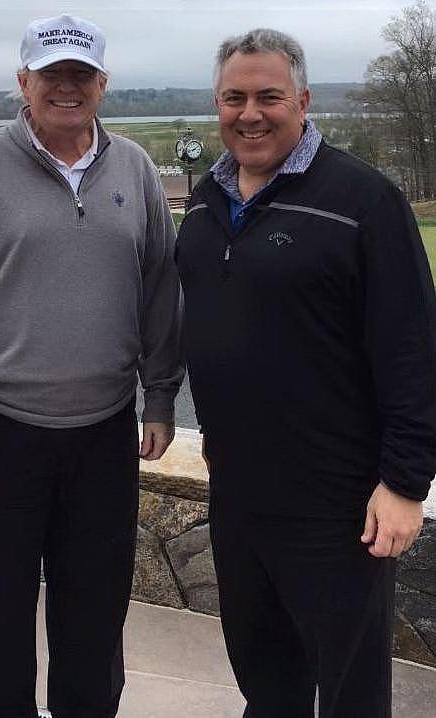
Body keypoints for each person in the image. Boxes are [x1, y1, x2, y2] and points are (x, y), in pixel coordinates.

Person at [0, 13, 183, 718]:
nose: (68, 87)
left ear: (103, 83)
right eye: (52, 74)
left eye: (81, 75)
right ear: (23, 81)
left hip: (102, 435)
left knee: (95, 615)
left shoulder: (135, 170)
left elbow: (159, 289)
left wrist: (158, 398)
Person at [176, 28, 435, 718]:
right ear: (218, 103)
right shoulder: (206, 202)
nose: (250, 113)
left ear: (303, 100)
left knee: (349, 692)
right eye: (235, 97)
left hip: (337, 506)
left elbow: (413, 348)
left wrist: (405, 484)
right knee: (266, 682)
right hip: (237, 493)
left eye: (269, 96)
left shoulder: (363, 200)